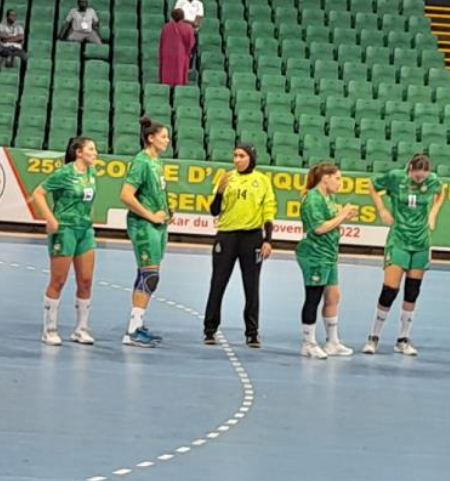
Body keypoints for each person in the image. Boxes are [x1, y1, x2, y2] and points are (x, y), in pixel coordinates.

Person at [362, 154, 445, 356]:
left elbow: (441, 191)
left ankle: (403, 339)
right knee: (390, 289)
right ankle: (373, 337)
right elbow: (372, 185)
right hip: (399, 239)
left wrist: (433, 212)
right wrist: (381, 209)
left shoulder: (432, 180)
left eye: (424, 177)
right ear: (410, 169)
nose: (420, 180)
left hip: (420, 242)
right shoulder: (395, 177)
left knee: (412, 291)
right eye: (417, 176)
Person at [203, 144, 276, 348]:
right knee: (217, 283)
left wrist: (268, 240)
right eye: (235, 155)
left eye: (241, 156)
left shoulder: (262, 181)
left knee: (252, 286)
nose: (236, 159)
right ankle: (210, 329)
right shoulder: (227, 178)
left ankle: (252, 333)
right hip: (226, 236)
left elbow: (268, 211)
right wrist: (219, 192)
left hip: (252, 237)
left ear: (251, 158)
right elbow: (214, 211)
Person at [32, 137, 98, 346]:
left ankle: (81, 329)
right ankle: (49, 329)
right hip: (65, 230)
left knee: (86, 280)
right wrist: (50, 219)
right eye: (91, 149)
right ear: (79, 152)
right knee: (58, 280)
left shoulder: (92, 172)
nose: (95, 153)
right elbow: (38, 194)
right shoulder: (64, 173)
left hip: (85, 231)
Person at [296, 163, 357, 359]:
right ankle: (308, 343)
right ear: (326, 178)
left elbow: (331, 222)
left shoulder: (329, 197)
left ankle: (332, 342)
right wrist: (342, 215)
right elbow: (319, 228)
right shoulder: (313, 199)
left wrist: (343, 217)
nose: (340, 183)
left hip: (329, 254)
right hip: (314, 254)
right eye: (337, 178)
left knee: (333, 296)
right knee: (313, 297)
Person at [120, 116, 171, 348]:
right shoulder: (141, 161)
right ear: (150, 138)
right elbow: (126, 195)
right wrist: (150, 216)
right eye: (164, 137)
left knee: (146, 275)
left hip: (158, 226)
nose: (167, 140)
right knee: (150, 276)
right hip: (143, 225)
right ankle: (132, 332)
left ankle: (137, 326)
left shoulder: (156, 162)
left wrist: (167, 211)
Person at [159, 9, 195, 87]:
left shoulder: (166, 27)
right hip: (180, 55)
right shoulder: (188, 28)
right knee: (179, 75)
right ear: (183, 16)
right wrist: (188, 52)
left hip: (167, 55)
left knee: (167, 75)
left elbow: (162, 42)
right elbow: (190, 43)